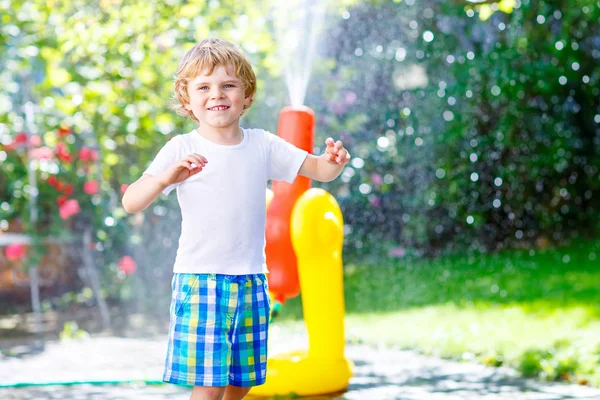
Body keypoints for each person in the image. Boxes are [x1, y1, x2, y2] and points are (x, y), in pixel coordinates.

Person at [121, 37, 351, 400]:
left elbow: (318, 170)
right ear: (187, 100)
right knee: (209, 384)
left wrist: (333, 163)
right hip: (201, 281)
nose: (217, 94)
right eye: (204, 87)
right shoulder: (181, 148)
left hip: (251, 281)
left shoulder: (262, 144)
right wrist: (165, 178)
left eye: (228, 84)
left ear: (247, 95)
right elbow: (131, 201)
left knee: (242, 381)